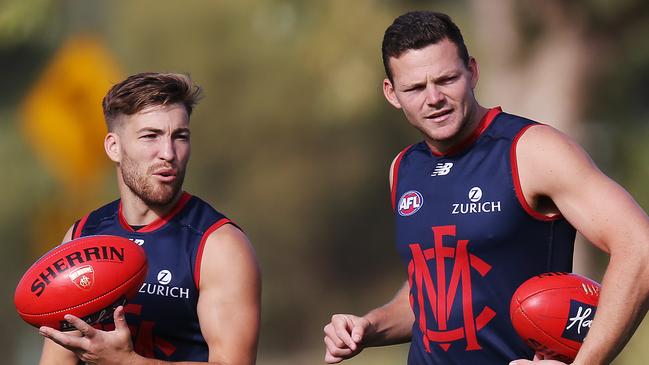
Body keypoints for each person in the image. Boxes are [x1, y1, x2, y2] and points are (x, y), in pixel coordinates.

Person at [323, 11, 649, 365]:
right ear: (392, 93)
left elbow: (640, 247)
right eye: (415, 88)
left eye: (446, 80)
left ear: (472, 72)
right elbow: (432, 296)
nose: (433, 98)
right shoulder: (403, 168)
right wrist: (368, 326)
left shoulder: (531, 150)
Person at [38, 72, 261, 365]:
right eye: (150, 136)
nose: (168, 153)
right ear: (113, 147)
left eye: (180, 137)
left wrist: (128, 362)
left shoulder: (219, 246)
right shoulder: (82, 237)